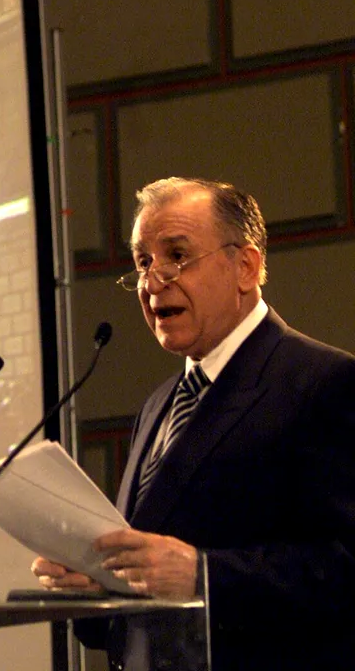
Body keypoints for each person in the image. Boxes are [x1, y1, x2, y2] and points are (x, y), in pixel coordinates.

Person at [32, 177, 355, 670]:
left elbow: (345, 567)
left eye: (177, 256)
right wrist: (96, 589)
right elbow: (148, 581)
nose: (152, 282)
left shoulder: (324, 381)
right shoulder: (158, 405)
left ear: (245, 267)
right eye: (143, 262)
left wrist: (202, 577)